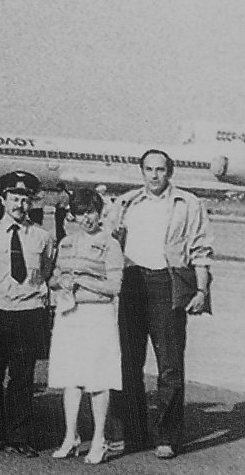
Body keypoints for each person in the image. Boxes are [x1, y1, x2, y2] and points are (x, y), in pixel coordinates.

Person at [108, 149, 213, 460]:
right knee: (128, 362)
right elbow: (108, 241)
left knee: (169, 364)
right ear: (141, 171)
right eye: (149, 169)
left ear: (170, 172)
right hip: (130, 282)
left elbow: (201, 248)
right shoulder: (126, 202)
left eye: (160, 169)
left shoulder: (188, 203)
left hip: (166, 282)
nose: (154, 175)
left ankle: (167, 436)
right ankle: (133, 433)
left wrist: (201, 290)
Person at [0, 171, 55, 457]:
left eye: (25, 199)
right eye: (14, 198)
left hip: (28, 313)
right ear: (2, 199)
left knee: (22, 378)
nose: (20, 204)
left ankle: (19, 436)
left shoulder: (43, 237)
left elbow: (45, 271)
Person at [48, 188, 124, 465]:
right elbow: (53, 278)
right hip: (70, 315)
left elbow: (114, 287)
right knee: (71, 378)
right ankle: (71, 437)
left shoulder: (110, 244)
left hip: (97, 315)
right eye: (80, 213)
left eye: (90, 212)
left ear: (99, 212)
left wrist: (81, 280)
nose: (86, 219)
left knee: (97, 379)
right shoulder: (66, 243)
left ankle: (100, 439)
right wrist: (60, 281)